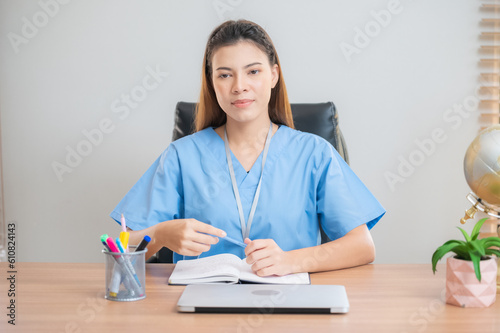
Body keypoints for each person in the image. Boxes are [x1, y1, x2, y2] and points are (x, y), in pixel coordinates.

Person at [110, 19, 385, 277]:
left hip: (288, 304)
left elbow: (362, 246)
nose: (239, 87)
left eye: (253, 71)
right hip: (201, 308)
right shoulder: (182, 157)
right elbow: (120, 249)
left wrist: (291, 261)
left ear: (274, 75)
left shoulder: (314, 153)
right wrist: (160, 235)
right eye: (225, 75)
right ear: (212, 82)